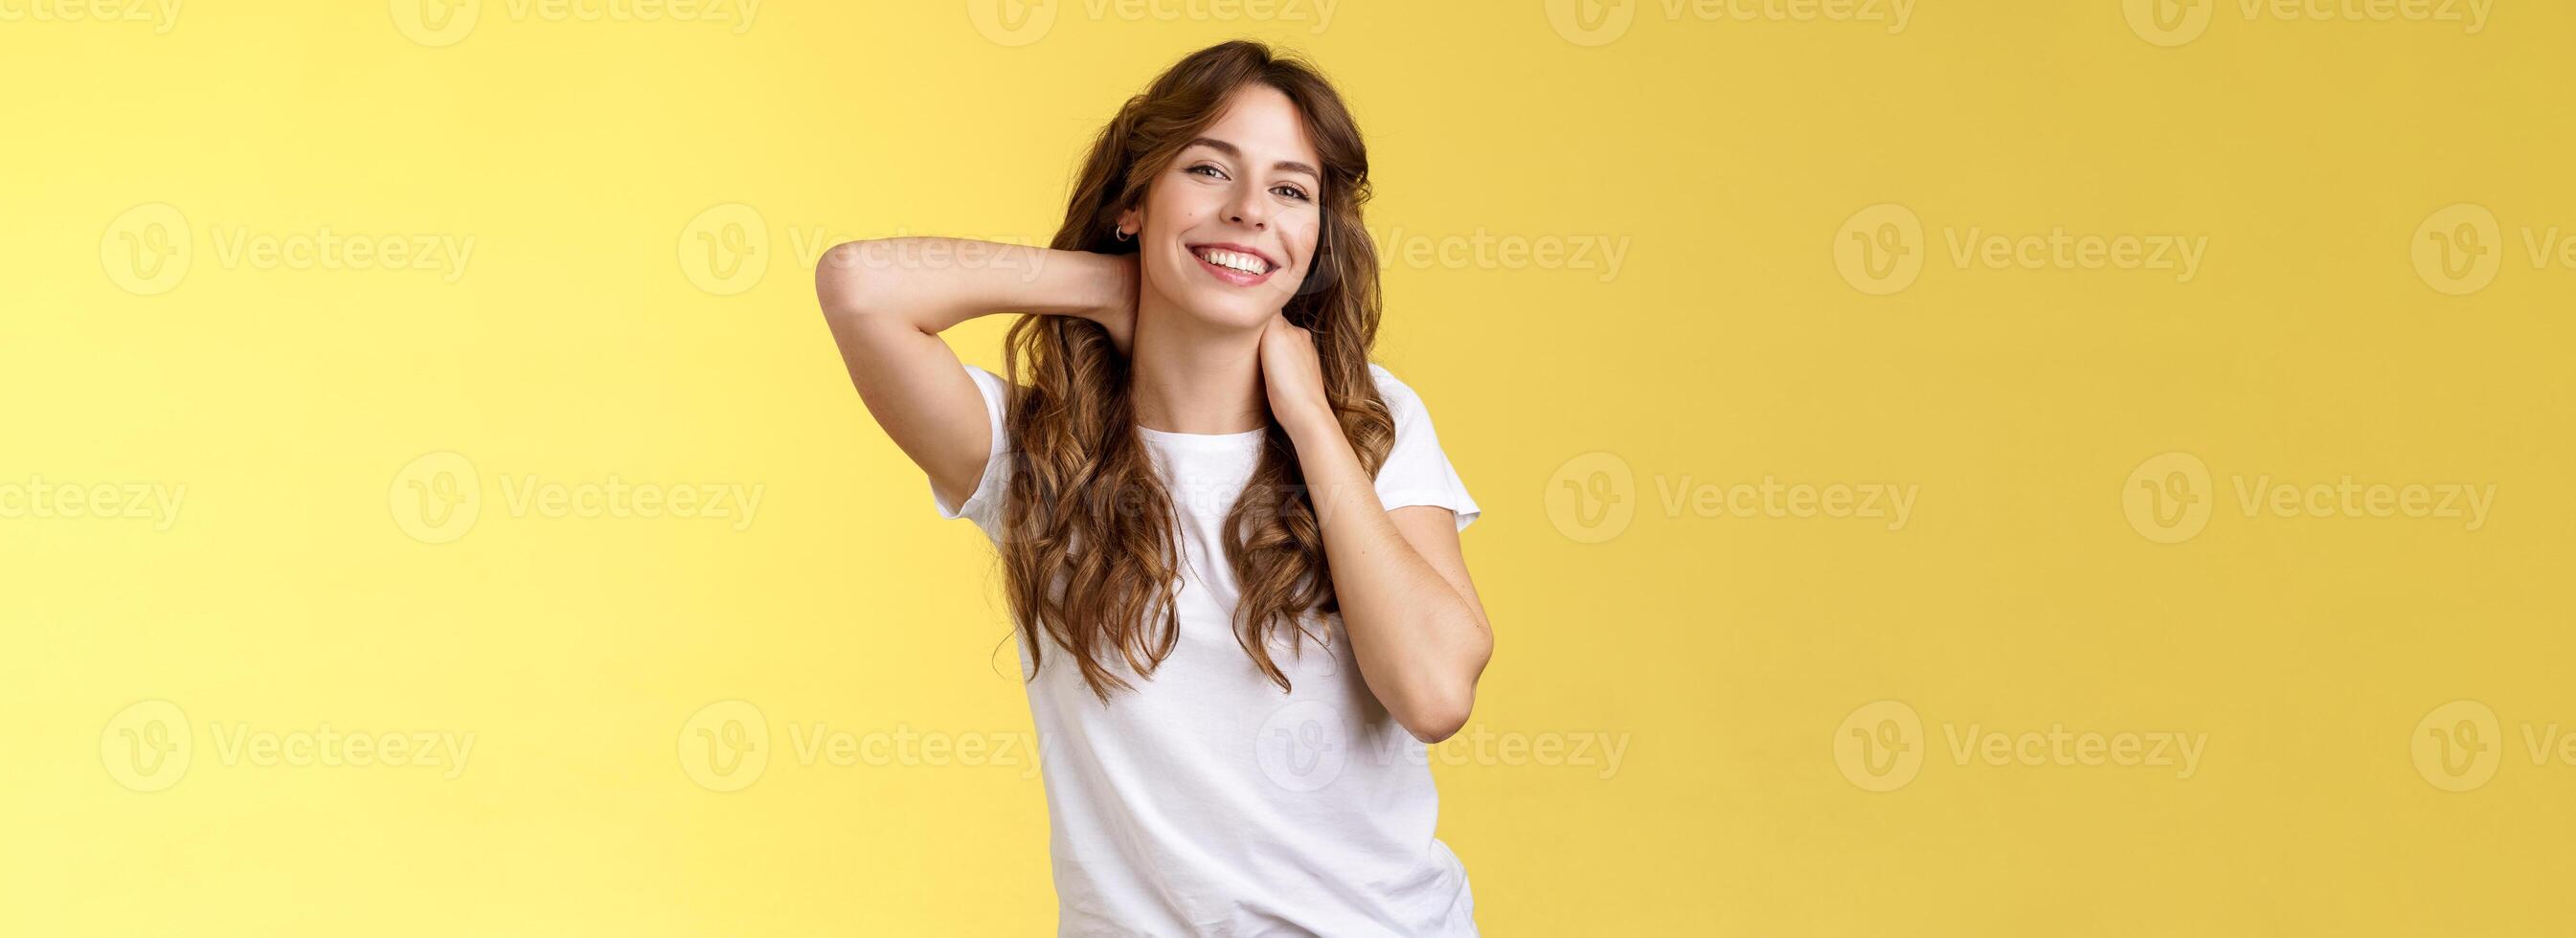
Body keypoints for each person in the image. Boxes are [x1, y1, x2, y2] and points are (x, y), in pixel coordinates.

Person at [814, 39, 1491, 936]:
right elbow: (859, 286)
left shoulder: (1371, 420)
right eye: (1210, 170)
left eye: (1291, 190)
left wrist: (1308, 417)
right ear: (1134, 202)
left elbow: (1437, 691)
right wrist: (1113, 281)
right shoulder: (1039, 456)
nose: (1250, 211)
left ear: (1317, 236)